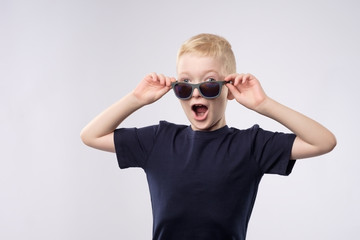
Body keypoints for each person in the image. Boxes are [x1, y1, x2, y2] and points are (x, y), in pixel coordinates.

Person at [80, 33, 336, 240]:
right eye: (184, 85)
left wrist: (264, 104)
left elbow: (323, 141)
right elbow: (91, 135)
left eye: (210, 83)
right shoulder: (158, 140)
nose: (196, 93)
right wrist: (136, 99)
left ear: (230, 90)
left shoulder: (251, 145)